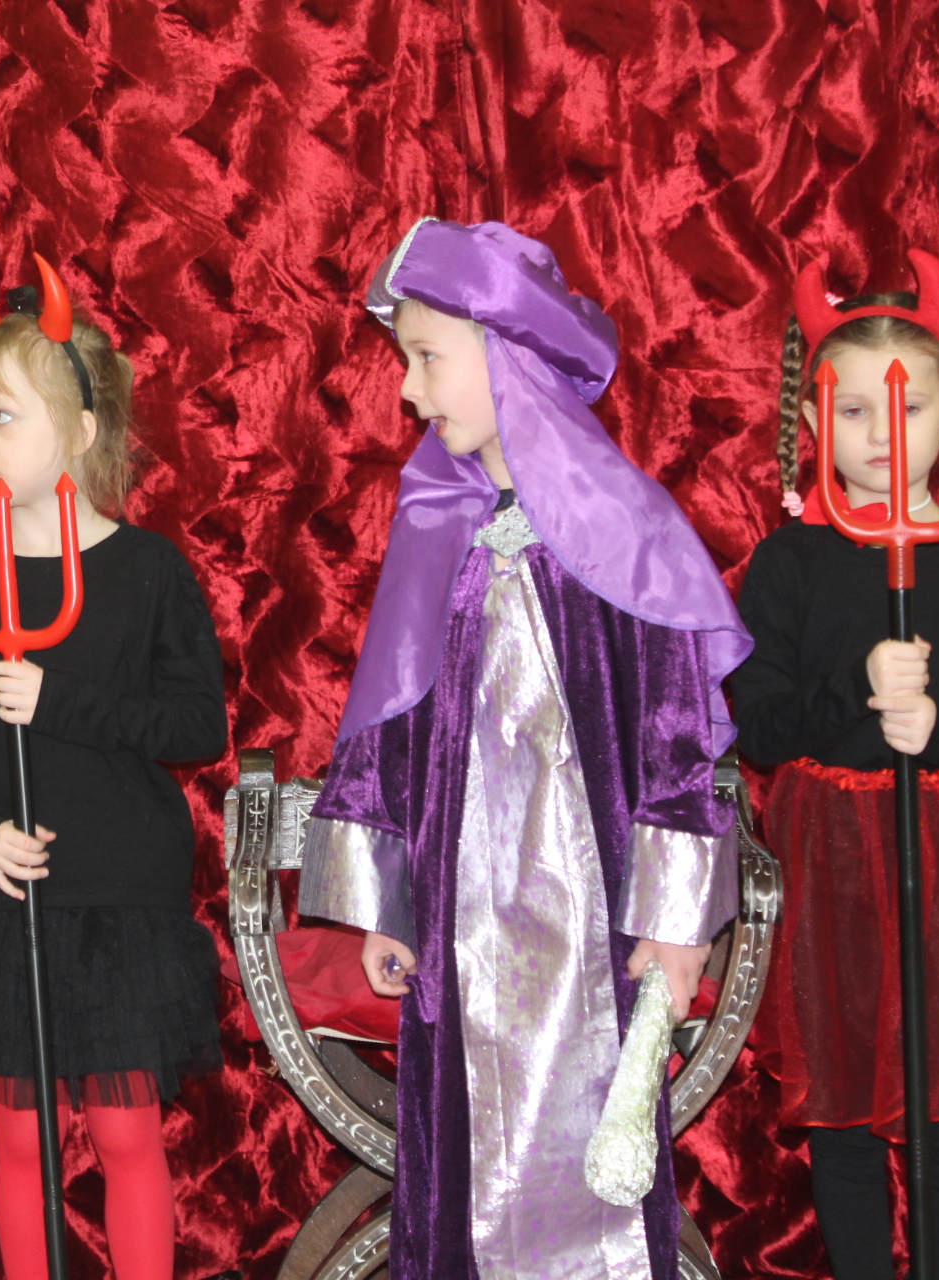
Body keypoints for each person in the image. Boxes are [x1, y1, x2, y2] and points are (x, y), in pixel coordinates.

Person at [297, 218, 753, 1280]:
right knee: (459, 1171)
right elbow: (395, 726)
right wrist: (388, 899)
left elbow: (678, 742)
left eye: (427, 358)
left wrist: (677, 923)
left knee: (588, 1178)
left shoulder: (619, 529)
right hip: (457, 940)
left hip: (589, 931)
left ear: (507, 354)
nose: (410, 389)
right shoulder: (440, 528)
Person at [0, 262, 226, 1280]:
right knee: (22, 1139)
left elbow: (197, 722)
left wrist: (60, 699)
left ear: (79, 429)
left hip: (124, 891)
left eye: (3, 417)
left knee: (124, 1132)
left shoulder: (150, 572)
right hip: (7, 893)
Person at [731, 252, 939, 1280]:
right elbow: (757, 723)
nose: (882, 433)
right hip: (828, 854)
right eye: (855, 410)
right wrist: (860, 697)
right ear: (814, 422)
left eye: (907, 409)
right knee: (842, 1100)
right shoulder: (789, 562)